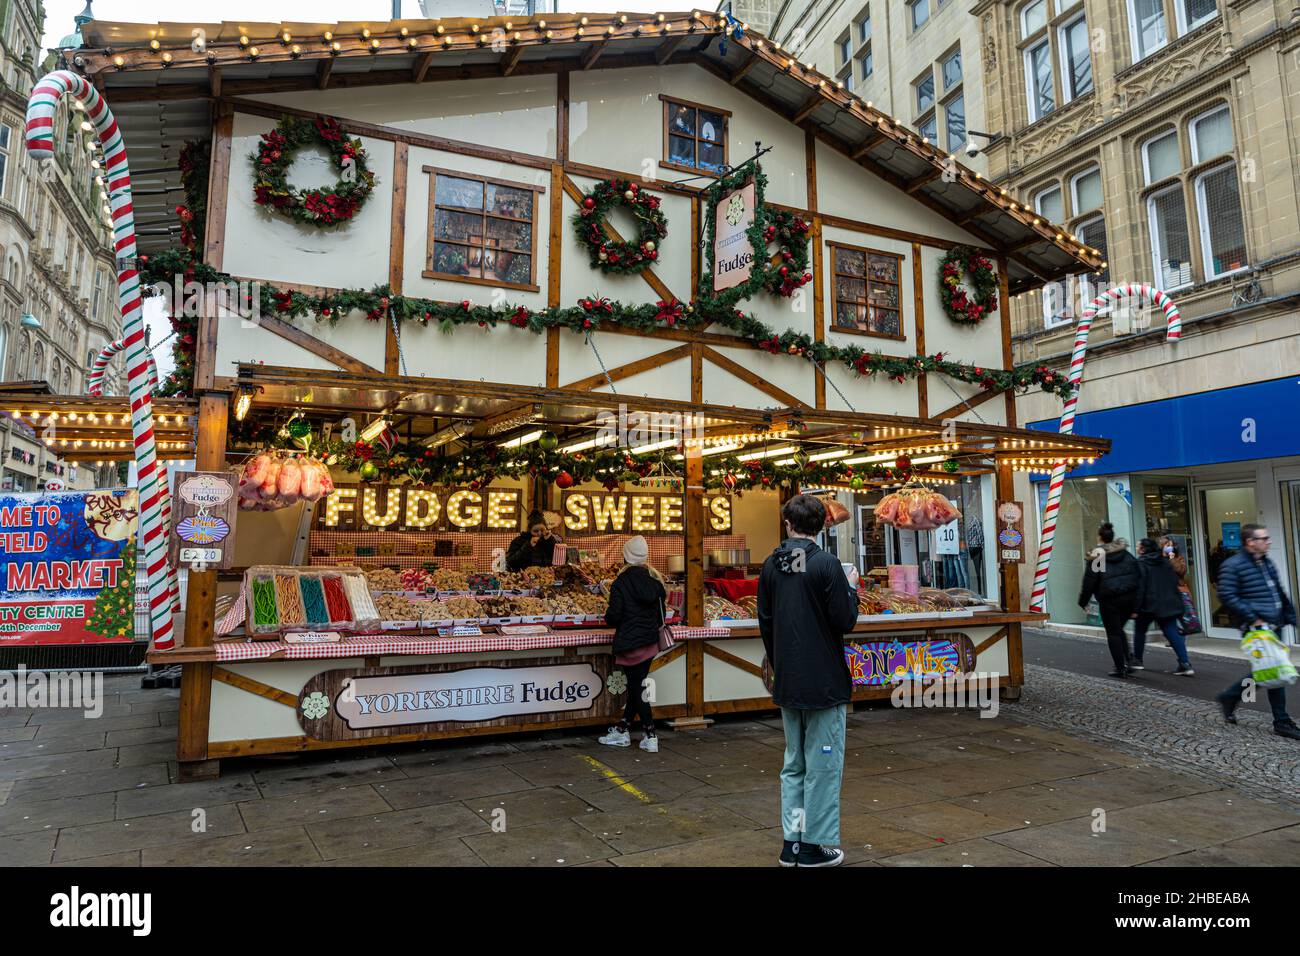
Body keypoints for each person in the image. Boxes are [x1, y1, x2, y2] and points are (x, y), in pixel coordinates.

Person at [757, 494, 860, 868]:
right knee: (823, 764)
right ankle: (815, 844)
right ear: (824, 525)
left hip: (789, 679)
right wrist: (851, 589)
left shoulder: (771, 565)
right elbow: (845, 621)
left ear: (788, 524)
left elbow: (765, 621)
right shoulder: (828, 565)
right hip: (824, 680)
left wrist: (780, 661)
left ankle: (793, 843)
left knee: (794, 764)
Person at [1213, 524, 1300, 740]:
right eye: (1264, 538)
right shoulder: (1233, 565)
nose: (1268, 541)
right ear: (1250, 542)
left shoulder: (1265, 562)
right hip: (1257, 628)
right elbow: (1226, 595)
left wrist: (1289, 614)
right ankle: (1281, 721)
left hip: (1273, 624)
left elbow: (1277, 590)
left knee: (1267, 670)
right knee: (1274, 669)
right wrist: (1254, 618)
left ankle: (1230, 697)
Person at [598, 536, 667, 753]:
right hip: (649, 643)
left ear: (625, 556)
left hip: (629, 643)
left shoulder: (621, 582)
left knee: (637, 688)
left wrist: (607, 615)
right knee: (636, 686)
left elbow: (614, 617)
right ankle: (623, 729)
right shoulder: (656, 582)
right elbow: (661, 615)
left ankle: (650, 734)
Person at [1078, 522, 1142, 678]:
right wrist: (1137, 603)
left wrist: (1083, 601)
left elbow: (1090, 582)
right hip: (1129, 598)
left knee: (1113, 633)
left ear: (1100, 537)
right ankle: (1128, 660)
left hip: (1110, 600)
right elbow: (1138, 575)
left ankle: (1121, 667)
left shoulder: (1098, 557)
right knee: (1119, 630)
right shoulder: (1126, 554)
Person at [1132, 538, 1194, 675]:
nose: (1136, 548)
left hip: (1148, 604)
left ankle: (1137, 660)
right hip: (1167, 603)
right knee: (1171, 632)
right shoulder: (1165, 563)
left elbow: (1140, 587)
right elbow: (1174, 582)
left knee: (1140, 631)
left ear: (1142, 549)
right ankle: (1185, 663)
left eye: (1138, 546)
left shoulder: (1141, 563)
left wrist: (1135, 608)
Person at [1159, 535, 1202, 636]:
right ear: (1161, 546)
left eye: (1171, 545)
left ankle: (1178, 637)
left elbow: (1181, 571)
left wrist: (1172, 557)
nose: (1169, 546)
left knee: (1181, 616)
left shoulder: (1178, 558)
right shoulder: (1158, 559)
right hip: (1165, 591)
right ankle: (1173, 636)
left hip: (1178, 590)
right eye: (1166, 544)